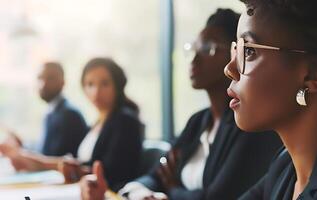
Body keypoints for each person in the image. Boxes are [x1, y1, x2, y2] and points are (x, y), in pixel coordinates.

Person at [79, 9, 281, 200]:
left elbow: (216, 198)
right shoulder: (198, 121)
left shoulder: (248, 124)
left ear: (234, 53)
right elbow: (156, 176)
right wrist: (137, 191)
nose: (194, 58)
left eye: (207, 48)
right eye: (194, 47)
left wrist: (173, 189)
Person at [224, 0, 317, 199]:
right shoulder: (285, 165)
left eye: (249, 51)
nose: (229, 69)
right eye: (237, 49)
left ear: (315, 74)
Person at [0, 58, 143, 190]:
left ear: (118, 85)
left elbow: (111, 173)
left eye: (105, 84)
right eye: (90, 84)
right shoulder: (98, 122)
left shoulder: (125, 121)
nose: (96, 91)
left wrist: (34, 160)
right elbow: (78, 161)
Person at [0, 62, 87, 157]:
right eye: (40, 78)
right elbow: (44, 150)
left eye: (50, 78)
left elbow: (51, 158)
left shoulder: (69, 115)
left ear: (63, 82)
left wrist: (21, 152)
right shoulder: (53, 112)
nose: (43, 84)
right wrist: (22, 144)